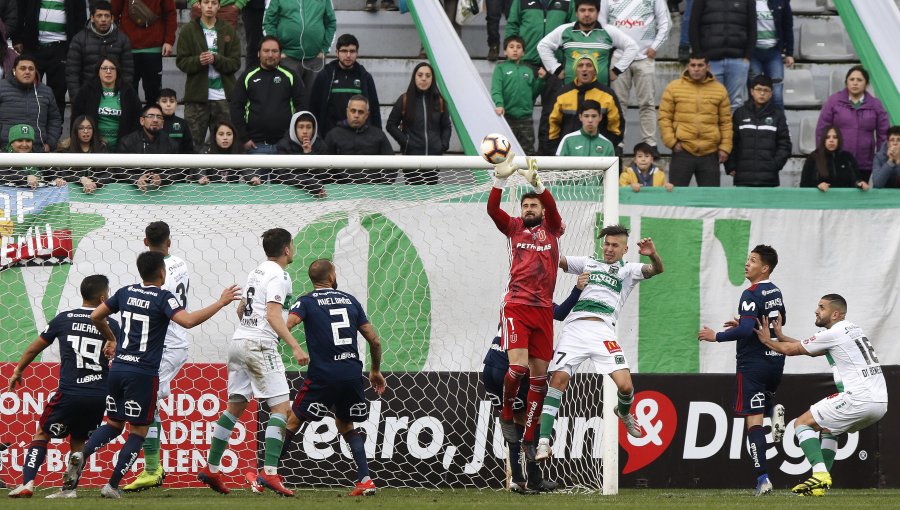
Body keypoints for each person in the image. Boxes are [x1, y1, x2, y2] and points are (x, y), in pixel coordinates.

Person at [60, 251, 239, 499]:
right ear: (162, 274)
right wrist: (220, 302)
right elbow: (187, 322)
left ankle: (82, 453)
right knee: (138, 431)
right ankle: (111, 486)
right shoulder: (163, 297)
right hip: (142, 374)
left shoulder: (124, 292)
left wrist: (112, 338)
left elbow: (95, 316)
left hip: (118, 369)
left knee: (113, 424)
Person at [536, 225, 663, 460]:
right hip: (575, 329)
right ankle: (543, 442)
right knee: (558, 380)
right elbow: (557, 259)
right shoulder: (588, 263)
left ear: (625, 249)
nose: (609, 249)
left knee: (625, 386)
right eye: (606, 244)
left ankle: (624, 413)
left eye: (615, 245)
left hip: (603, 332)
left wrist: (653, 254)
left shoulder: (629, 270)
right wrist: (543, 240)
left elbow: (656, 269)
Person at [197, 228, 308, 497]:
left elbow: (240, 308)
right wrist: (294, 346)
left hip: (239, 342)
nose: (293, 249)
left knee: (234, 407)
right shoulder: (280, 275)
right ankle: (270, 473)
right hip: (259, 344)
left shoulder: (256, 271)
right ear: (286, 249)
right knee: (281, 408)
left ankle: (212, 468)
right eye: (292, 245)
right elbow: (272, 314)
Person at [754, 295, 888, 497]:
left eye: (821, 307)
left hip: (859, 398)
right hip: (879, 403)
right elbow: (807, 347)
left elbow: (791, 350)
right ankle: (819, 485)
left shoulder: (834, 334)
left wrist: (766, 340)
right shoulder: (851, 329)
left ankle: (819, 474)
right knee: (829, 429)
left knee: (802, 424)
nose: (816, 310)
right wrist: (780, 336)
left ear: (835, 314)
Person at [274, 259, 386, 496]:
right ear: (332, 276)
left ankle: (268, 473)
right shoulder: (351, 300)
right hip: (351, 373)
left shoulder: (305, 301)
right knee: (345, 423)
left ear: (312, 279)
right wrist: (375, 370)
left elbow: (288, 324)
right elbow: (374, 340)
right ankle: (365, 480)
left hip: (323, 375)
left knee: (293, 420)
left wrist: (290, 344)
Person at [6, 276, 121, 499]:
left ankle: (27, 482)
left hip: (70, 392)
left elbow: (34, 348)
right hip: (98, 395)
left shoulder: (64, 319)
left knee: (42, 433)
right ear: (103, 297)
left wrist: (18, 370)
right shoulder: (112, 326)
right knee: (78, 440)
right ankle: (69, 490)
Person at [486, 153, 563, 456]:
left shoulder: (554, 229)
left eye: (534, 205)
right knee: (517, 368)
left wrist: (539, 185)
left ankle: (530, 437)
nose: (529, 208)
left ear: (542, 210)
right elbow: (492, 209)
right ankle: (507, 413)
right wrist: (500, 179)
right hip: (517, 305)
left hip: (544, 310)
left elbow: (555, 209)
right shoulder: (514, 227)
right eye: (526, 205)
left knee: (539, 380)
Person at [697, 244, 786, 496]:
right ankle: (772, 409)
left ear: (764, 268)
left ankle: (763, 479)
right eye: (748, 259)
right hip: (775, 360)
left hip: (753, 364)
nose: (748, 263)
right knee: (761, 407)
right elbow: (777, 323)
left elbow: (747, 331)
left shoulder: (752, 293)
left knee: (752, 423)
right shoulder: (776, 291)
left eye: (753, 260)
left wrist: (718, 335)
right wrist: (746, 321)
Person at [483, 278, 587, 493]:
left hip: (491, 364)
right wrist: (577, 290)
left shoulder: (512, 297)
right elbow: (558, 314)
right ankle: (531, 479)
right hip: (510, 370)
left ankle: (520, 479)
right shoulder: (535, 304)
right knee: (532, 421)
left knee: (513, 421)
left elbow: (555, 314)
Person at [118, 222, 191, 492]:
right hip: (171, 344)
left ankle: (152, 469)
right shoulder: (180, 263)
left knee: (145, 402)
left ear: (145, 241)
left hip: (165, 344)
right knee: (148, 403)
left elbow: (155, 307)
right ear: (169, 242)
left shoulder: (158, 278)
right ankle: (152, 468)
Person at [601, 0, 671, 157]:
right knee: (618, 104)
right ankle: (617, 142)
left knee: (647, 103)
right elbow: (601, 23)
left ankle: (650, 143)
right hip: (619, 56)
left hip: (644, 57)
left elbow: (665, 22)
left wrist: (655, 47)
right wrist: (611, 46)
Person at [176, 0, 241, 151]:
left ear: (219, 6)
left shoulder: (228, 30)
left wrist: (216, 59)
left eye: (213, 3)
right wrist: (198, 60)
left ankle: (222, 175)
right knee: (193, 144)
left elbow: (235, 63)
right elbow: (181, 62)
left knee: (225, 146)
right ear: (199, 5)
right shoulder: (188, 29)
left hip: (223, 98)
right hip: (197, 98)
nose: (210, 6)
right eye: (206, 2)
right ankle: (194, 176)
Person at [658, 54, 732, 186]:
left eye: (700, 65)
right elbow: (664, 117)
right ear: (688, 66)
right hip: (683, 150)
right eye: (693, 65)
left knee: (710, 200)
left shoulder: (719, 90)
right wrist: (672, 142)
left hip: (710, 152)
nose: (696, 69)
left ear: (707, 67)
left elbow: (725, 121)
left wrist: (725, 148)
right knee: (677, 197)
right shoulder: (673, 87)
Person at [231, 36, 307, 157]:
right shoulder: (247, 76)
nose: (270, 55)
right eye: (266, 51)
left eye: (274, 51)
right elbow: (236, 108)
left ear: (280, 54)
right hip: (256, 145)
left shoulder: (291, 76)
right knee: (256, 177)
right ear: (258, 53)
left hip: (286, 146)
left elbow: (302, 108)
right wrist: (244, 138)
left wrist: (295, 139)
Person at [12, 0, 87, 120]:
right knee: (28, 90)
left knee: (57, 93)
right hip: (33, 47)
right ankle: (27, 132)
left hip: (61, 48)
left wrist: (75, 47)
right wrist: (17, 38)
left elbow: (80, 19)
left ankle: (55, 133)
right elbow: (20, 11)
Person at [537, 0, 639, 87]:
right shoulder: (564, 30)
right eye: (582, 10)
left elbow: (632, 47)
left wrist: (617, 70)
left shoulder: (609, 31)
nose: (586, 14)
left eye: (591, 10)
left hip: (601, 93)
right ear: (576, 13)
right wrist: (556, 69)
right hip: (570, 92)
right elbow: (543, 46)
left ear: (598, 13)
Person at [816, 66, 889, 183]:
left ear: (866, 84)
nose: (855, 83)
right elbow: (822, 130)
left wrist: (881, 158)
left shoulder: (876, 105)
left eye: (859, 80)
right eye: (852, 79)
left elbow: (883, 134)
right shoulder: (833, 101)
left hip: (864, 162)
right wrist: (823, 157)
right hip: (836, 161)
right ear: (846, 82)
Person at [545, 54, 624, 156]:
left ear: (595, 70)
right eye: (580, 65)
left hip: (599, 155)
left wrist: (603, 147)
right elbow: (551, 125)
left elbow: (616, 127)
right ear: (575, 70)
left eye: (589, 65)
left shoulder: (608, 95)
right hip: (568, 154)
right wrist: (555, 149)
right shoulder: (562, 95)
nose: (584, 69)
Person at [386, 62, 452, 184]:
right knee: (414, 197)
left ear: (432, 79)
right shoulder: (404, 99)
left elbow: (446, 126)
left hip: (434, 160)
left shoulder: (440, 101)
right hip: (411, 160)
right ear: (414, 77)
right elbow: (391, 124)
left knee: (431, 197)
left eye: (428, 76)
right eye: (420, 75)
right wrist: (406, 142)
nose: (424, 79)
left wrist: (442, 145)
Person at [309, 34, 382, 137]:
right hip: (330, 137)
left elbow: (374, 109)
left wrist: (377, 137)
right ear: (337, 53)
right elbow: (313, 107)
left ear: (357, 53)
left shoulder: (365, 77)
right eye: (344, 51)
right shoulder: (325, 75)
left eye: (352, 51)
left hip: (359, 137)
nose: (348, 55)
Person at [725, 75, 791, 187]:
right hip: (743, 177)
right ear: (752, 91)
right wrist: (730, 165)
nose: (762, 93)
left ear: (771, 94)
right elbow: (731, 141)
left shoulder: (778, 115)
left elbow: (785, 144)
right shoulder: (740, 114)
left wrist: (774, 165)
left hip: (769, 178)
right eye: (759, 89)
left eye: (766, 90)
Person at [689, 0, 755, 111]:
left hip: (738, 60)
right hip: (711, 61)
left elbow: (752, 27)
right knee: (711, 103)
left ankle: (732, 129)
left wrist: (748, 55)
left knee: (735, 103)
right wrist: (699, 55)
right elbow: (693, 25)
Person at [66, 1, 135, 104]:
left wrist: (122, 98)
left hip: (114, 96)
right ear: (92, 18)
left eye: (107, 16)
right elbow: (72, 74)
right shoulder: (79, 39)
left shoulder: (122, 40)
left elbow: (127, 73)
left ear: (112, 18)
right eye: (99, 16)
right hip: (87, 94)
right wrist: (77, 100)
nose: (103, 19)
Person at [111, 0, 177, 107]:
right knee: (128, 94)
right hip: (128, 48)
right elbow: (113, 12)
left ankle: (152, 122)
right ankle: (132, 122)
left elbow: (170, 13)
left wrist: (169, 41)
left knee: (153, 94)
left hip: (153, 48)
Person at [263, 0, 336, 92]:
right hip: (287, 57)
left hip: (315, 59)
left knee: (314, 98)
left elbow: (331, 23)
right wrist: (276, 51)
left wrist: (324, 49)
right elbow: (268, 22)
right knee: (288, 97)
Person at [72, 57, 142, 153]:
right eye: (104, 68)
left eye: (112, 68)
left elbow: (137, 120)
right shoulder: (86, 91)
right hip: (93, 147)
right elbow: (76, 117)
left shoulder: (128, 91)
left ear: (117, 71)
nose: (108, 71)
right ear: (98, 71)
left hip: (124, 147)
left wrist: (129, 143)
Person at [491, 36, 545, 156]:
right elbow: (496, 89)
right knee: (504, 151)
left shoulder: (528, 70)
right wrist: (499, 104)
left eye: (518, 47)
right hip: (506, 117)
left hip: (526, 118)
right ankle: (503, 175)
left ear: (523, 52)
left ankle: (529, 175)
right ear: (505, 51)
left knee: (528, 152)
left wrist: (540, 80)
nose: (515, 50)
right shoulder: (500, 68)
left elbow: (533, 93)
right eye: (511, 47)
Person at [324, 95, 395, 184]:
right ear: (347, 112)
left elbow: (392, 165)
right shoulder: (333, 135)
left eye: (360, 112)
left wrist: (383, 189)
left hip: (373, 193)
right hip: (341, 192)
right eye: (353, 111)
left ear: (367, 115)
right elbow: (324, 168)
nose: (356, 115)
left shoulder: (378, 135)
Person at [0, 55, 62, 151]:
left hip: (38, 151)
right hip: (5, 151)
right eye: (23, 68)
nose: (27, 72)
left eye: (31, 69)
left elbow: (55, 120)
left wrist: (50, 143)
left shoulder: (46, 91)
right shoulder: (1, 88)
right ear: (14, 71)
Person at [117, 104, 179, 189]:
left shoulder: (171, 143)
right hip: (133, 193)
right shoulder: (127, 142)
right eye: (150, 116)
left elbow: (178, 171)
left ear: (162, 123)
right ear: (142, 120)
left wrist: (162, 178)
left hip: (162, 193)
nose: (155, 120)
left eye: (159, 117)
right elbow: (118, 169)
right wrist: (136, 178)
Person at [748, 0, 793, 111]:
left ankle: (780, 126)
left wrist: (789, 53)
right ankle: (754, 124)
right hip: (753, 53)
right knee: (755, 94)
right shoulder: (747, 2)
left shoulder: (782, 1)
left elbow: (787, 27)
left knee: (777, 95)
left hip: (774, 52)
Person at [274, 111, 327, 197]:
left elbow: (324, 174)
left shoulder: (321, 145)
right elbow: (284, 175)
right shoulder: (283, 146)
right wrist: (309, 182)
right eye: (301, 127)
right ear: (294, 129)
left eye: (309, 127)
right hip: (286, 195)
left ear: (314, 129)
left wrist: (309, 154)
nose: (305, 131)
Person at [800, 126, 869, 192]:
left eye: (835, 137)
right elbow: (804, 184)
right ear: (823, 139)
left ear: (839, 140)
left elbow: (856, 178)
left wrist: (859, 183)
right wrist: (817, 186)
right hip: (819, 202)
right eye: (827, 137)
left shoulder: (847, 157)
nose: (831, 140)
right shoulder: (813, 157)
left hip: (843, 201)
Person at [56, 115, 112, 194]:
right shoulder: (66, 149)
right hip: (72, 195)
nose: (86, 131)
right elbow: (63, 173)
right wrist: (81, 179)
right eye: (81, 128)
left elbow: (109, 173)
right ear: (75, 130)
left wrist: (93, 183)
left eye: (89, 128)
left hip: (98, 194)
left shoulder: (101, 148)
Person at [1, 124, 66, 188]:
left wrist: (56, 179)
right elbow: (3, 175)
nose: (24, 144)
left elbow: (52, 170)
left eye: (28, 141)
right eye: (20, 140)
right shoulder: (3, 157)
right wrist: (25, 178)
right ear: (11, 143)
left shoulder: (38, 154)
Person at [158, 88, 195, 154]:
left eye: (172, 101)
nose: (168, 104)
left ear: (176, 103)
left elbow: (189, 149)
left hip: (178, 162)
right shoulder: (153, 122)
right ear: (158, 104)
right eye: (164, 101)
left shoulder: (182, 123)